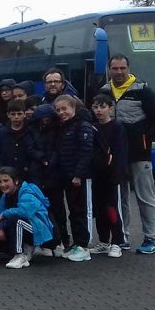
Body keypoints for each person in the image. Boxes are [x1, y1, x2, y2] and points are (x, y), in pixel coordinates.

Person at [98, 53, 155, 254]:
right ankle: (122, 237)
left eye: (122, 68)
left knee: (145, 197)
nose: (119, 72)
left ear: (128, 69)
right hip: (114, 155)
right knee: (120, 199)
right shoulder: (104, 91)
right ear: (109, 69)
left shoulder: (143, 90)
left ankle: (151, 239)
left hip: (139, 152)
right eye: (115, 68)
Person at [51, 95, 96, 262]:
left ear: (74, 108)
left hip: (77, 177)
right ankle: (76, 244)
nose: (62, 112)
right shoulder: (63, 127)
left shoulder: (82, 126)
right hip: (66, 176)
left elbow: (86, 152)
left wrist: (78, 175)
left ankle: (83, 246)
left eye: (65, 109)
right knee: (72, 212)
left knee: (79, 211)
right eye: (58, 110)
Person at [88, 93, 128, 259]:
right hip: (96, 176)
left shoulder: (117, 127)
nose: (99, 110)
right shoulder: (92, 127)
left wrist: (116, 174)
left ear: (110, 108)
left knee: (112, 209)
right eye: (96, 107)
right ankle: (104, 242)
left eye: (102, 107)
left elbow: (120, 152)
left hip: (111, 177)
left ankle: (117, 242)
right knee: (99, 210)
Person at [0, 166, 55, 270]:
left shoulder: (27, 192)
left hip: (39, 230)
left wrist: (5, 213)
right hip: (23, 227)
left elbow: (24, 212)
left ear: (16, 181)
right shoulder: (5, 196)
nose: (3, 185)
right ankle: (21, 250)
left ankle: (20, 255)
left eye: (6, 181)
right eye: (0, 181)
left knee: (14, 220)